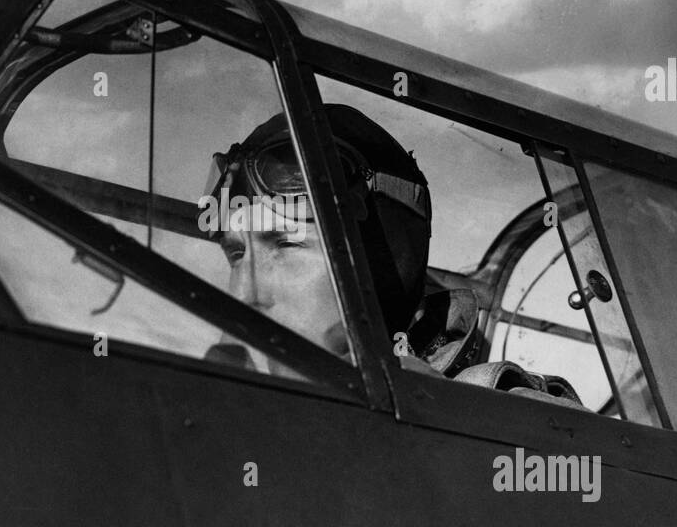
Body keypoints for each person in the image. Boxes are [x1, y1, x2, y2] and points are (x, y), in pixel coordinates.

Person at [203, 105, 583, 406]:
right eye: (237, 254)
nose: (246, 294)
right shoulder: (215, 401)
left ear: (372, 261)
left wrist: (431, 415)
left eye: (285, 245)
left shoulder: (510, 420)